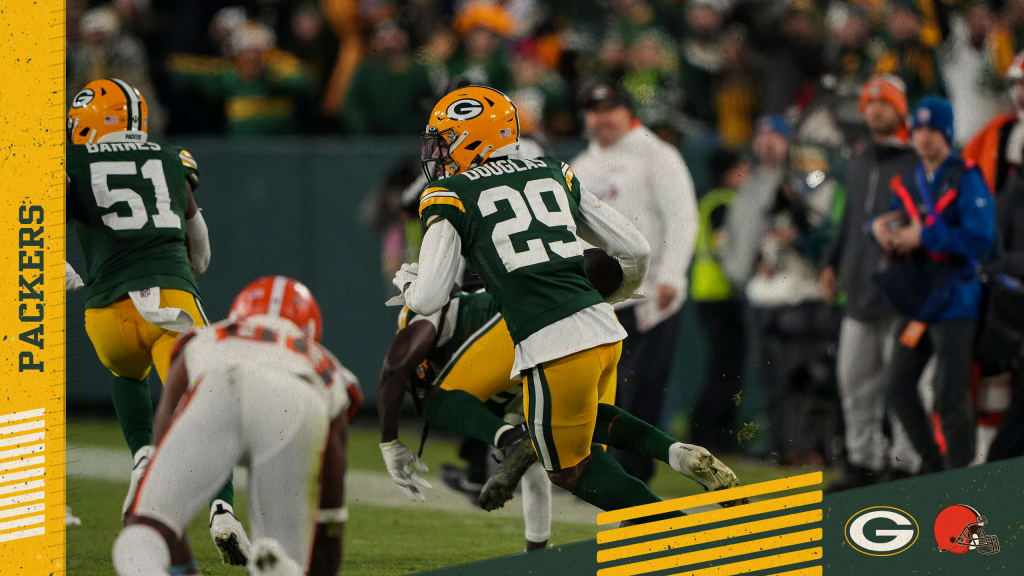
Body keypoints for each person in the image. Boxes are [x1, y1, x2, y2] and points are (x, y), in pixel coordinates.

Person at [392, 85, 736, 517]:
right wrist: (617, 295)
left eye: (444, 141)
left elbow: (429, 299)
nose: (438, 154)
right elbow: (637, 249)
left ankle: (677, 533)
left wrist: (407, 282)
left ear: (472, 137)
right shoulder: (555, 171)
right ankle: (678, 453)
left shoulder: (449, 194)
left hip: (550, 342)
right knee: (587, 421)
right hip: (606, 329)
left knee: (569, 469)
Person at [67, 78, 248, 566]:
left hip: (105, 316)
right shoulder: (172, 159)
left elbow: (26, 215)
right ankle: (223, 511)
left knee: (126, 372)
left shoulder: (70, 162)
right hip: (169, 299)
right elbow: (202, 250)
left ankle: (142, 455)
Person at [113, 276, 359, 576]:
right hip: (297, 396)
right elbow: (330, 508)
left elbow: (165, 432)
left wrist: (178, 558)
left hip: (222, 380)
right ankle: (279, 566)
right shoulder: (326, 363)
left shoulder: (208, 336)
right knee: (287, 556)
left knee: (145, 532)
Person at [570, 83, 699, 482]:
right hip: (599, 300)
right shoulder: (581, 165)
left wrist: (673, 274)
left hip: (648, 295)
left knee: (640, 392)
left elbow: (682, 216)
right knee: (597, 391)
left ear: (627, 111)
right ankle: (591, 468)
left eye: (609, 109)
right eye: (593, 110)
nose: (601, 118)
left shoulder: (656, 155)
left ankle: (635, 475)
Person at [873, 97, 996, 471]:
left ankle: (960, 479)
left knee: (950, 397)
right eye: (919, 130)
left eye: (932, 130)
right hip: (923, 299)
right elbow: (901, 221)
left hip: (957, 299)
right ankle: (933, 466)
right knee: (898, 388)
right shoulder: (912, 178)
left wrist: (923, 237)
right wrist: (882, 233)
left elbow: (981, 239)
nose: (924, 137)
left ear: (946, 133)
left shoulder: (966, 176)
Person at [820, 75, 921, 488]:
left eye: (885, 103)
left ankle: (906, 463)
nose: (877, 110)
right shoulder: (859, 160)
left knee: (903, 387)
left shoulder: (917, 160)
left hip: (901, 292)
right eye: (871, 103)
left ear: (901, 109)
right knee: (854, 383)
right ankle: (863, 462)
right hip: (859, 290)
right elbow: (848, 221)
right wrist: (831, 263)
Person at [688, 148, 749, 452]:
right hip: (719, 294)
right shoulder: (724, 203)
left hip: (708, 293)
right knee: (724, 369)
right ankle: (713, 435)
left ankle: (705, 432)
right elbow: (725, 248)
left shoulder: (712, 200)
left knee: (719, 367)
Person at [963, 50, 1024, 196]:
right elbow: (967, 162)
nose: (1018, 91)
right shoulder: (1002, 127)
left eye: (1022, 84)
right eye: (1017, 84)